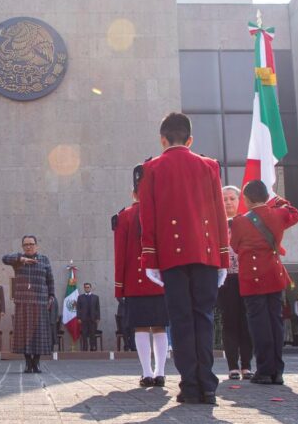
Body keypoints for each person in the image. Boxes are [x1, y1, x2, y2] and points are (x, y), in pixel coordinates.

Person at [136, 113, 229, 405]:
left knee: (181, 319)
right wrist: (223, 257)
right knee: (203, 317)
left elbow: (147, 216)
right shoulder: (209, 165)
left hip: (171, 255)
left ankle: (190, 385)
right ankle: (209, 386)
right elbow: (219, 214)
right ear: (190, 140)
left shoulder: (151, 169)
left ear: (163, 139)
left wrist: (149, 259)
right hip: (205, 252)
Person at [230, 180, 298, 385]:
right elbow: (294, 213)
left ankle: (264, 369)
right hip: (273, 273)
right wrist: (278, 200)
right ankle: (277, 371)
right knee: (275, 322)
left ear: (247, 199)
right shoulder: (277, 214)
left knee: (258, 324)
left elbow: (234, 245)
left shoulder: (240, 221)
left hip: (252, 277)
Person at [113, 168, 170, 387]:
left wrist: (119, 287)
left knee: (140, 327)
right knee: (159, 327)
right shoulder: (162, 213)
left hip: (135, 282)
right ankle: (160, 372)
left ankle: (147, 373)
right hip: (160, 280)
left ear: (133, 193)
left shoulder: (124, 216)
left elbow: (120, 254)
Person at [2, 235, 56, 373]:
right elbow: (4, 258)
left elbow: (50, 280)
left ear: (36, 245)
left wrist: (51, 296)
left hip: (40, 302)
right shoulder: (18, 260)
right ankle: (27, 363)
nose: (29, 246)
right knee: (24, 335)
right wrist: (21, 258)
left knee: (39, 334)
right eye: (25, 244)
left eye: (31, 244)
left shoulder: (44, 259)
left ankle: (36, 363)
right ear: (22, 247)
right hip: (23, 302)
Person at [218, 185, 254, 380]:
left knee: (246, 321)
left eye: (232, 198)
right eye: (224, 199)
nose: (228, 202)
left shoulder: (247, 222)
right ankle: (232, 365)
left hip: (246, 277)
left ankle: (247, 365)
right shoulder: (216, 224)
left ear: (239, 201)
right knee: (229, 321)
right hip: (225, 279)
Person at [77, 283, 101, 351]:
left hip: (93, 319)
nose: (87, 288)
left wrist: (98, 318)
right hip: (83, 319)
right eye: (85, 287)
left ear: (90, 288)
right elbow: (78, 308)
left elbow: (97, 308)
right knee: (84, 334)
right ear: (84, 288)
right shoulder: (80, 297)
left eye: (88, 287)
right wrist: (78, 318)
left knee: (92, 334)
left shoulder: (95, 297)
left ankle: (92, 347)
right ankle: (85, 347)